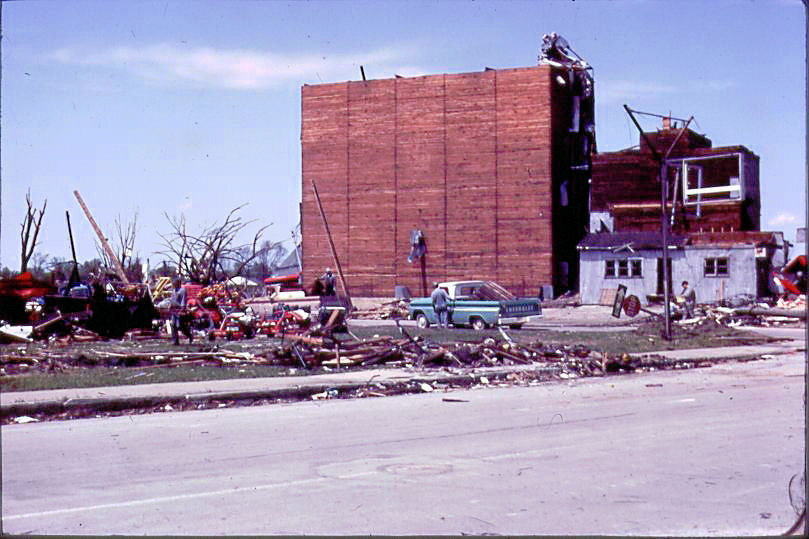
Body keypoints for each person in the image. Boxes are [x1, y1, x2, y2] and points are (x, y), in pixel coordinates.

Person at [169, 278, 193, 345]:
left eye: (175, 283)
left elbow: (183, 301)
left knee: (180, 326)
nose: (173, 284)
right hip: (174, 310)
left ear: (178, 283)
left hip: (180, 310)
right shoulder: (174, 290)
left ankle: (189, 336)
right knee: (173, 325)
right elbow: (172, 300)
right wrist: (170, 307)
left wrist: (182, 309)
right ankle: (175, 341)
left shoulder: (182, 290)